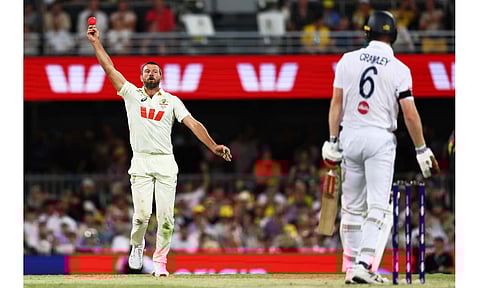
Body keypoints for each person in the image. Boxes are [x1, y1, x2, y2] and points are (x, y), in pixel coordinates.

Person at [86, 22, 232, 277]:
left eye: (155, 71)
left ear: (161, 77)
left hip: (165, 162)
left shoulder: (171, 100)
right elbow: (109, 67)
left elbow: (193, 124)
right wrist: (96, 42)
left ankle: (160, 263)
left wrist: (213, 146)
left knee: (166, 219)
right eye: (147, 71)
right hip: (141, 162)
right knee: (142, 217)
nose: (151, 74)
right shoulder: (130, 93)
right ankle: (137, 245)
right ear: (141, 77)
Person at [321, 11, 439, 284]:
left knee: (351, 208)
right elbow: (409, 114)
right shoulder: (399, 68)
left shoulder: (347, 60)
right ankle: (364, 265)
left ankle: (351, 267)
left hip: (349, 135)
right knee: (378, 207)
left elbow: (336, 103)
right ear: (394, 36)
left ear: (366, 33)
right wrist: (421, 149)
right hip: (379, 139)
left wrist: (332, 139)